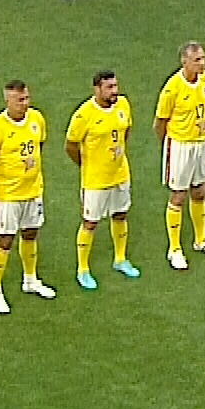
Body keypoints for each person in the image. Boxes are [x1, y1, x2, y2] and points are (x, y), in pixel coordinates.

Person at [0, 80, 56, 314]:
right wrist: (6, 179)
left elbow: (38, 146)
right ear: (8, 101)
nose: (25, 104)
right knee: (5, 240)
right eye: (20, 100)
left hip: (33, 190)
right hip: (9, 195)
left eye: (26, 98)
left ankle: (30, 280)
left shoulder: (36, 119)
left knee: (31, 233)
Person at [67, 69, 140, 289]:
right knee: (90, 223)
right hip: (95, 180)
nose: (114, 91)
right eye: (109, 87)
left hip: (120, 173)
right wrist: (86, 164)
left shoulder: (123, 105)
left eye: (115, 86)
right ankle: (83, 269)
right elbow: (70, 145)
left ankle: (120, 259)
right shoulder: (84, 114)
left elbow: (125, 131)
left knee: (120, 215)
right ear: (96, 89)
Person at [155, 41, 205, 269]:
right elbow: (160, 123)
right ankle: (174, 248)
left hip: (203, 142)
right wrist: (169, 145)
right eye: (197, 60)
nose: (202, 63)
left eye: (203, 58)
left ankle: (201, 240)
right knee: (178, 195)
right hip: (180, 145)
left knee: (200, 190)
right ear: (184, 61)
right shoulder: (172, 88)